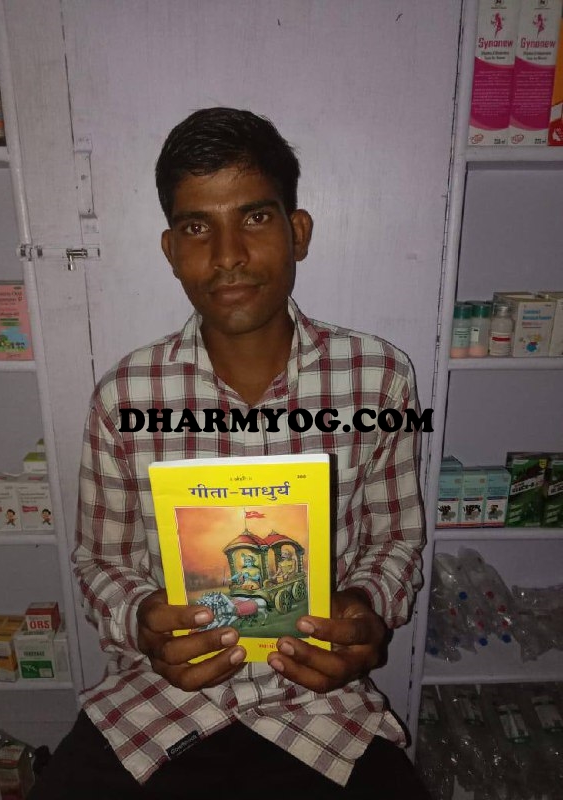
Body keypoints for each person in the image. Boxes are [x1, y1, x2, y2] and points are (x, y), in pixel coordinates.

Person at [28, 107, 429, 799]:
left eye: (255, 218)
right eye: (197, 228)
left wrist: (363, 607)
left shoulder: (379, 379)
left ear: (298, 232)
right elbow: (99, 563)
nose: (227, 255)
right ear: (170, 250)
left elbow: (395, 541)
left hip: (320, 709)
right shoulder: (125, 395)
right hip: (156, 707)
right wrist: (145, 620)